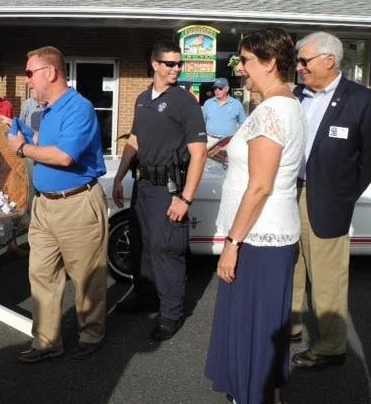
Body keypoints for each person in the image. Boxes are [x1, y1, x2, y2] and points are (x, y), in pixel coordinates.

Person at [205, 27, 307, 404]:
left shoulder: (272, 112)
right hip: (266, 235)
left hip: (259, 239)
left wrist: (232, 243)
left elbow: (261, 186)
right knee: (261, 328)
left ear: (270, 63)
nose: (240, 70)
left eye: (246, 61)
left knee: (256, 328)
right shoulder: (282, 105)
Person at [7, 46, 108, 362]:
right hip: (46, 207)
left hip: (77, 204)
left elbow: (64, 155)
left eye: (29, 73)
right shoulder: (46, 110)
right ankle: (47, 341)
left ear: (50, 72)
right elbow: (44, 145)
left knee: (87, 276)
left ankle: (91, 334)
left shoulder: (79, 108)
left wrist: (22, 147)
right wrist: (23, 133)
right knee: (41, 275)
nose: (27, 81)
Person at [112, 41, 207, 341]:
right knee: (142, 246)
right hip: (144, 187)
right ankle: (146, 295)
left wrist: (185, 197)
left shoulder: (185, 102)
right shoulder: (142, 99)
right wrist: (119, 176)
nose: (176, 68)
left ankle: (171, 313)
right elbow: (135, 140)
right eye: (170, 63)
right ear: (154, 64)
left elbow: (199, 153)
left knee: (167, 250)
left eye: (179, 64)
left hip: (170, 190)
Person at [290, 32, 371, 370]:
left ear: (329, 60)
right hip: (289, 192)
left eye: (304, 60)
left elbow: (368, 159)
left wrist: (344, 194)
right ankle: (290, 326)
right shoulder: (296, 95)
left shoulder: (360, 100)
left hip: (328, 198)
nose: (298, 67)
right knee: (291, 266)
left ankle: (331, 346)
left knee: (326, 276)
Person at [202, 77, 246, 148]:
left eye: (220, 88)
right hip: (210, 140)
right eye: (215, 88)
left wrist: (238, 139)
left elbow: (243, 124)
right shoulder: (208, 103)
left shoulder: (236, 104)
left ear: (227, 89)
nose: (217, 91)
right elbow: (202, 122)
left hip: (228, 142)